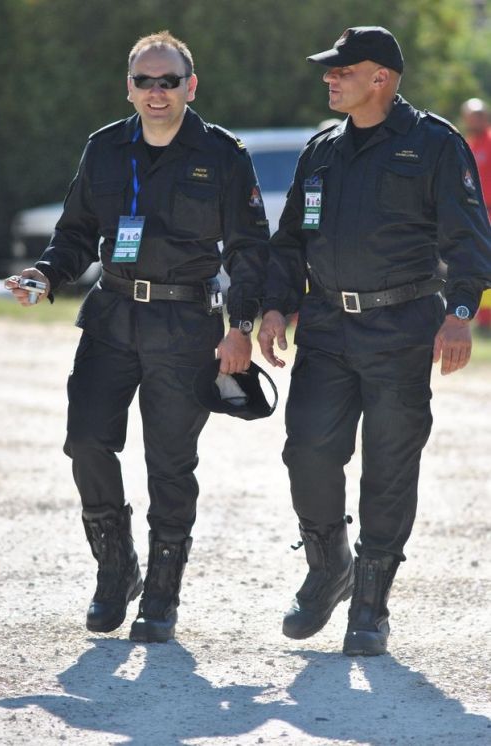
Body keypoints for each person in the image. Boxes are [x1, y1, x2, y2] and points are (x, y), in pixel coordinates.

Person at [5, 30, 269, 643]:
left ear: (190, 86)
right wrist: (45, 275)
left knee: (170, 463)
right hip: (112, 316)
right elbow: (75, 234)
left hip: (186, 326)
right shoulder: (104, 148)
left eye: (168, 81)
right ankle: (116, 568)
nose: (156, 91)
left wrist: (240, 328)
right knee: (86, 441)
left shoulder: (223, 155)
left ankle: (162, 594)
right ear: (129, 87)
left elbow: (250, 250)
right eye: (144, 81)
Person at [258, 26, 491, 656]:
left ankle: (370, 602)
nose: (329, 79)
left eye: (343, 71)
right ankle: (328, 565)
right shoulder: (321, 151)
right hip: (328, 327)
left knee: (389, 467)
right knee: (308, 451)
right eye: (330, 71)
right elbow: (290, 241)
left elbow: (469, 238)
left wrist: (459, 313)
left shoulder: (435, 145)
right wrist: (275, 305)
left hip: (402, 328)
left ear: (380, 78)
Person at [460, 97, 491, 333]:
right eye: (470, 117)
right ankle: (485, 319)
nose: (473, 121)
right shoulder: (468, 144)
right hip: (477, 215)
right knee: (482, 264)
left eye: (477, 116)